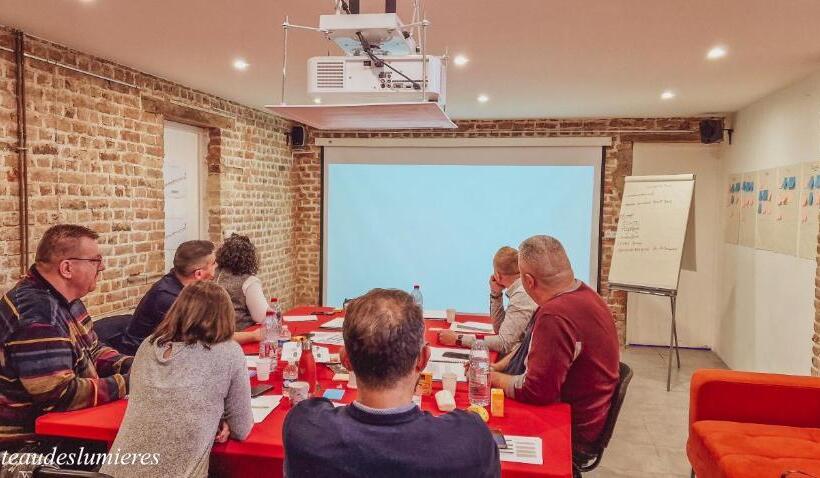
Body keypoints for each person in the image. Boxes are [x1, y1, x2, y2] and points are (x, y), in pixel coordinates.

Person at [283, 288, 500, 478]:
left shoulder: (303, 429)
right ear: (423, 359)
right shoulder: (471, 442)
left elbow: (312, 408)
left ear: (345, 360)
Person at [100, 281, 254, 478]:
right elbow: (242, 428)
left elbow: (169, 401)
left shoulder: (148, 345)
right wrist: (220, 418)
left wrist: (213, 416)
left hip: (114, 472)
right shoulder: (228, 351)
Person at [0, 224, 132, 445]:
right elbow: (60, 396)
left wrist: (135, 365)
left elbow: (94, 350)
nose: (102, 267)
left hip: (63, 432)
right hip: (28, 447)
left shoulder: (65, 299)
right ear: (67, 268)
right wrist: (131, 382)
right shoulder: (39, 316)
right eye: (96, 261)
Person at [489, 235, 619, 458]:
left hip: (569, 430)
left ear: (528, 281)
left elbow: (536, 390)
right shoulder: (583, 295)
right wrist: (495, 369)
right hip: (584, 414)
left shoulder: (555, 316)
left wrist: (492, 378)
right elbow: (525, 351)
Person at [119, 240, 259, 354]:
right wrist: (254, 335)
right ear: (198, 274)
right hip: (142, 364)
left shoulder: (182, 286)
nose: (216, 270)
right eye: (214, 264)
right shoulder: (169, 298)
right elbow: (210, 337)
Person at [439, 246, 536, 354]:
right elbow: (500, 330)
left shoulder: (522, 295)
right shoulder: (521, 288)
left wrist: (458, 339)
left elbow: (503, 343)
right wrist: (496, 294)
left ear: (497, 276)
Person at [214, 234, 268, 331]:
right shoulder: (249, 281)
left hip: (212, 333)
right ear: (249, 258)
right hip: (240, 334)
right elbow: (262, 316)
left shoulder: (213, 275)